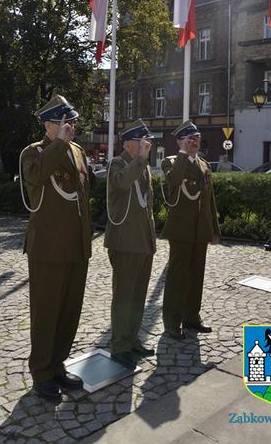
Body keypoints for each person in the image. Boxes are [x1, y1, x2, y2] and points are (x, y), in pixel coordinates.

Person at [20, 94, 92, 401]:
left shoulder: (77, 151)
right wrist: (59, 144)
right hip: (48, 248)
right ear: (50, 124)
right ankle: (41, 373)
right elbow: (36, 176)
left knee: (68, 311)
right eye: (66, 122)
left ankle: (58, 364)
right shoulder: (32, 152)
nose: (71, 127)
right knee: (47, 311)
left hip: (76, 245)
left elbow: (83, 195)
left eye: (73, 122)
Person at [161, 120, 220, 341]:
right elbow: (173, 182)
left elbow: (209, 200)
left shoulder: (205, 165)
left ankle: (192, 318)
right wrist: (183, 153)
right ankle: (172, 323)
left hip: (200, 229)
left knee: (196, 276)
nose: (194, 142)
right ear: (180, 141)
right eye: (189, 139)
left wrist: (214, 229)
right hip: (181, 229)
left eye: (196, 138)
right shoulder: (171, 162)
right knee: (178, 277)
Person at [104, 119, 156, 369]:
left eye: (147, 141)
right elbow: (123, 182)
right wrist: (141, 160)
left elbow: (147, 205)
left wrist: (151, 240)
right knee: (124, 296)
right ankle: (119, 345)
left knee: (138, 296)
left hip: (142, 241)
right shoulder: (118, 163)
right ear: (128, 144)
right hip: (124, 242)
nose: (146, 144)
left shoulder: (141, 165)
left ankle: (133, 339)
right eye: (141, 141)